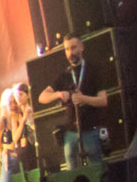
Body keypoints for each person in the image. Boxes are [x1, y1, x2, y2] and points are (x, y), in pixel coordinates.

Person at [37, 35, 108, 168]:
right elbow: (42, 97)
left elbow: (103, 100)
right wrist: (58, 94)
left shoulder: (93, 70)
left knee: (96, 169)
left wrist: (84, 99)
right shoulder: (65, 74)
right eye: (67, 49)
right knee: (71, 170)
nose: (70, 53)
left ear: (81, 47)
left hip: (90, 129)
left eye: (73, 48)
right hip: (70, 131)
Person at [0, 84, 36, 182]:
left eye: (15, 102)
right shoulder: (6, 120)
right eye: (10, 103)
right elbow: (10, 140)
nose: (14, 105)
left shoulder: (22, 114)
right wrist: (7, 151)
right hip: (14, 158)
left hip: (29, 155)